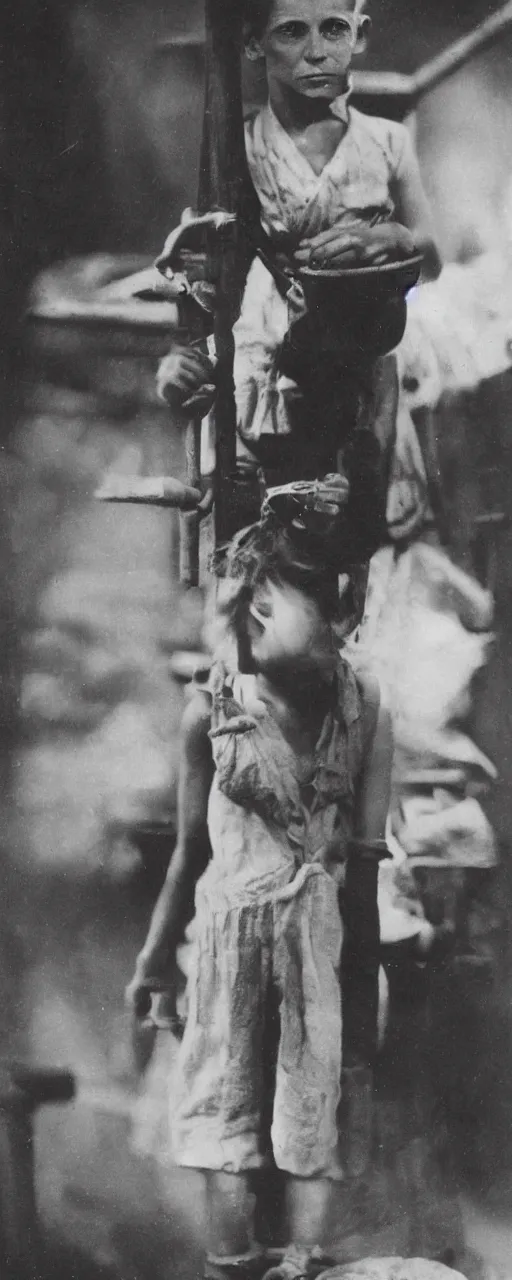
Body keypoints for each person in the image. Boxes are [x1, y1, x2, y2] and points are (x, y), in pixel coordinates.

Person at [126, 483, 395, 1280]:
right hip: (226, 933)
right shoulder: (209, 705)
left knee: (316, 1107)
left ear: (339, 616)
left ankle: (305, 1263)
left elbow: (370, 856)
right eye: (242, 605)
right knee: (221, 1112)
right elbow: (187, 852)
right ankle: (232, 1264)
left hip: (318, 929)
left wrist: (364, 971)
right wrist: (150, 962)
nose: (250, 619)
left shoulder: (364, 699)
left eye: (273, 605)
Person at [155, 0, 442, 540]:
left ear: (359, 35)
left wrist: (391, 237)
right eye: (291, 32)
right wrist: (184, 351)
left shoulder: (386, 142)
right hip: (274, 338)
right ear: (253, 44)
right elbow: (204, 272)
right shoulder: (237, 148)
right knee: (264, 519)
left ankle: (360, 522)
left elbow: (432, 257)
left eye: (333, 29)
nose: (316, 52)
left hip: (369, 334)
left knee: (368, 461)